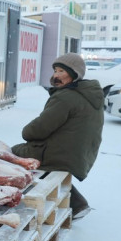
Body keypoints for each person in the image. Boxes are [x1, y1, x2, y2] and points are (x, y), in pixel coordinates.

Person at [11, 53, 104, 220]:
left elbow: (37, 130)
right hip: (80, 153)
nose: (56, 75)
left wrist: (28, 133)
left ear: (75, 74)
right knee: (29, 154)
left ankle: (8, 201)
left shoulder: (66, 97)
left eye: (62, 71)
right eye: (55, 70)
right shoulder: (89, 93)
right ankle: (78, 204)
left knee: (12, 154)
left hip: (64, 153)